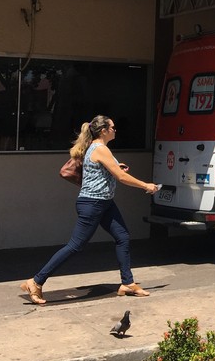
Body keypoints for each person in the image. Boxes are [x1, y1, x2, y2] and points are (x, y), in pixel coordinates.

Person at [20, 115, 159, 305]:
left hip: (105, 203)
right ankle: (36, 281)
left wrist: (117, 167)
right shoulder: (100, 148)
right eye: (112, 127)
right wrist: (146, 185)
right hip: (92, 204)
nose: (115, 130)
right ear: (104, 131)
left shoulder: (99, 149)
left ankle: (127, 283)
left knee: (123, 237)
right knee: (75, 246)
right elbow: (120, 177)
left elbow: (110, 171)